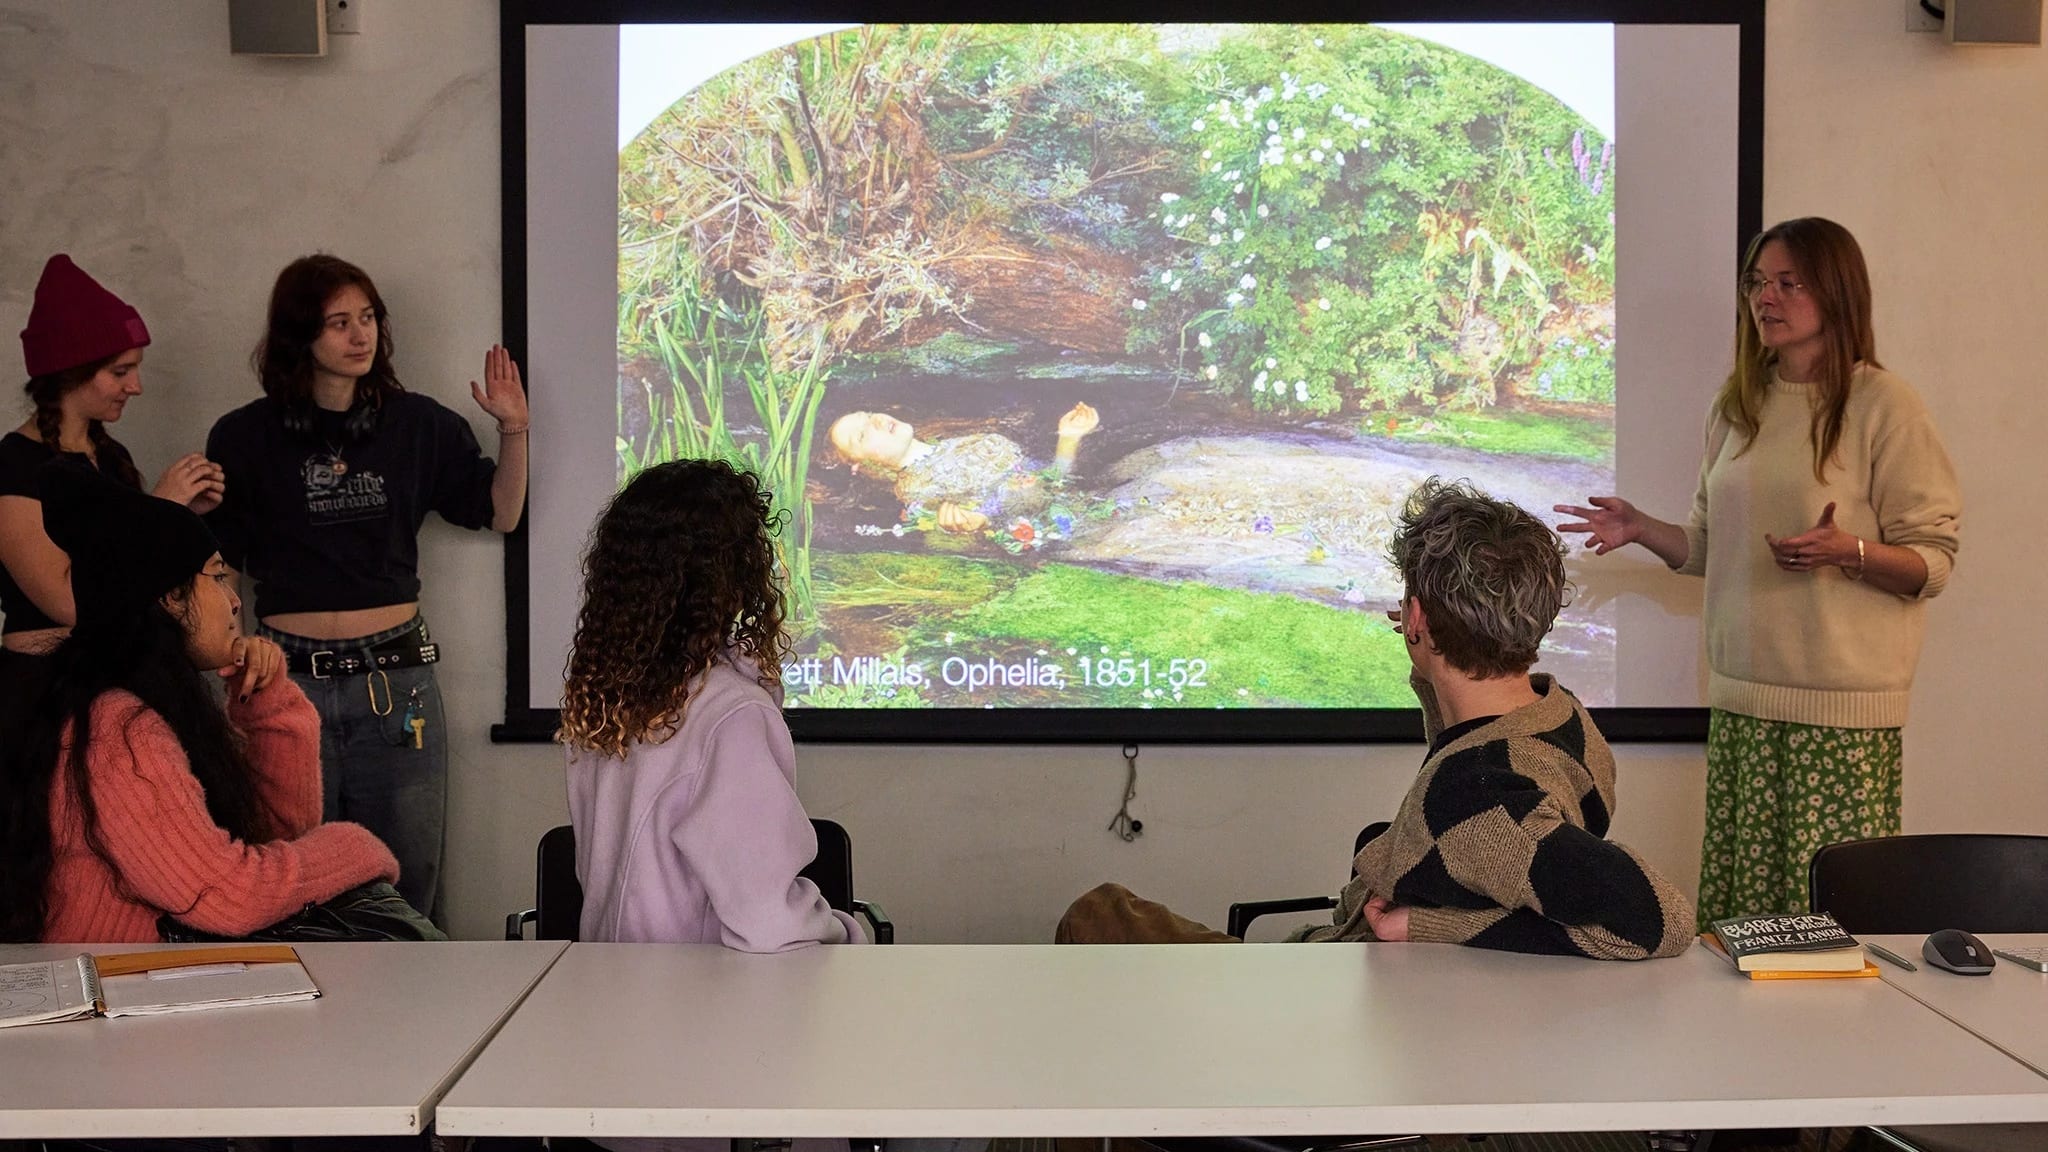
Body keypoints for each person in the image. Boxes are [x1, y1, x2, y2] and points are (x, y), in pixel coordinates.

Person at [1059, 478, 1694, 960]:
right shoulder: (1559, 717)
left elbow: (1662, 918)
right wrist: (1429, 653)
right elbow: (1466, 738)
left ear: (1416, 618)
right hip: (1419, 1003)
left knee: (1097, 913)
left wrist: (1432, 926)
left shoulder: (1477, 801)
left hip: (1341, 1002)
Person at [1554, 217, 1961, 928]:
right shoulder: (1738, 405)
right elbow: (1715, 548)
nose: (1764, 299)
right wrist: (1643, 528)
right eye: (1755, 283)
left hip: (1839, 719)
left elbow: (1932, 562)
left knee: (1829, 930)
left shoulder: (1883, 406)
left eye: (1786, 283)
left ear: (1835, 294)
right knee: (1744, 930)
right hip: (1744, 705)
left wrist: (1849, 552)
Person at [204, 254, 529, 924]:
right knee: (292, 884)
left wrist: (514, 428)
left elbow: (500, 512)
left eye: (369, 318)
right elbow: (220, 565)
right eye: (338, 323)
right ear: (301, 338)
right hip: (285, 677)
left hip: (396, 680)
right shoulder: (244, 437)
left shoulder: (418, 425)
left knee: (407, 886)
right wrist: (230, 660)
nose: (360, 336)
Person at [0, 465, 398, 944]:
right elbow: (231, 897)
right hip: (116, 998)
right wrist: (357, 847)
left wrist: (269, 705)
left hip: (152, 986)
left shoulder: (139, 706)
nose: (233, 601)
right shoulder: (118, 729)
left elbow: (275, 839)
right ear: (169, 597)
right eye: (216, 577)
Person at [560, 457, 865, 953]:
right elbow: (771, 928)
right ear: (738, 572)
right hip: (702, 1006)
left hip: (612, 995)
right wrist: (853, 938)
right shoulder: (729, 713)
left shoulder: (607, 699)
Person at [1, 255, 223, 713]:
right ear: (70, 371)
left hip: (115, 683)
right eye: (120, 371)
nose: (136, 386)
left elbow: (134, 586)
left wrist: (178, 521)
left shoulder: (111, 455)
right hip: (43, 692)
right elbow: (71, 602)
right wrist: (159, 509)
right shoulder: (13, 466)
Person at [829, 402, 1098, 534]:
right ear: (860, 465)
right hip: (1067, 530)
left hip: (1083, 504)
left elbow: (1054, 479)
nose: (874, 421)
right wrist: (979, 523)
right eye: (862, 435)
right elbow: (1031, 500)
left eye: (866, 416)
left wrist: (1069, 437)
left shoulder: (954, 440)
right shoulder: (917, 497)